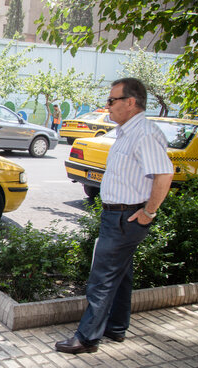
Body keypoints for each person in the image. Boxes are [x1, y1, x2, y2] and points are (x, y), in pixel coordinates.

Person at [55, 78, 173, 354]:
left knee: (102, 278)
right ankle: (117, 327)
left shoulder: (144, 132)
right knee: (120, 275)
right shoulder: (125, 133)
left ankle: (86, 338)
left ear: (130, 103)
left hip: (126, 217)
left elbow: (164, 173)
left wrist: (148, 212)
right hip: (117, 216)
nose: (106, 106)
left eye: (111, 100)